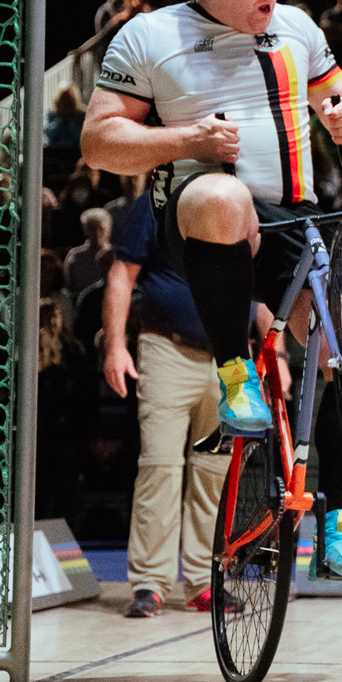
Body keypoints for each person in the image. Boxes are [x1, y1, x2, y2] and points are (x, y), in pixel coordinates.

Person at [82, 0, 342, 573]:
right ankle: (231, 369)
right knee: (222, 192)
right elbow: (99, 141)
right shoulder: (149, 36)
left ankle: (332, 518)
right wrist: (187, 138)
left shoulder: (298, 29)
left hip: (292, 220)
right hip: (201, 220)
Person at [100, 191, 236, 614]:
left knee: (215, 474)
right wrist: (115, 347)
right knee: (159, 465)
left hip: (231, 359)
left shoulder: (245, 196)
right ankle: (150, 583)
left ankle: (204, 582)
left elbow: (262, 286)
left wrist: (279, 356)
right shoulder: (157, 200)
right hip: (166, 348)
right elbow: (122, 274)